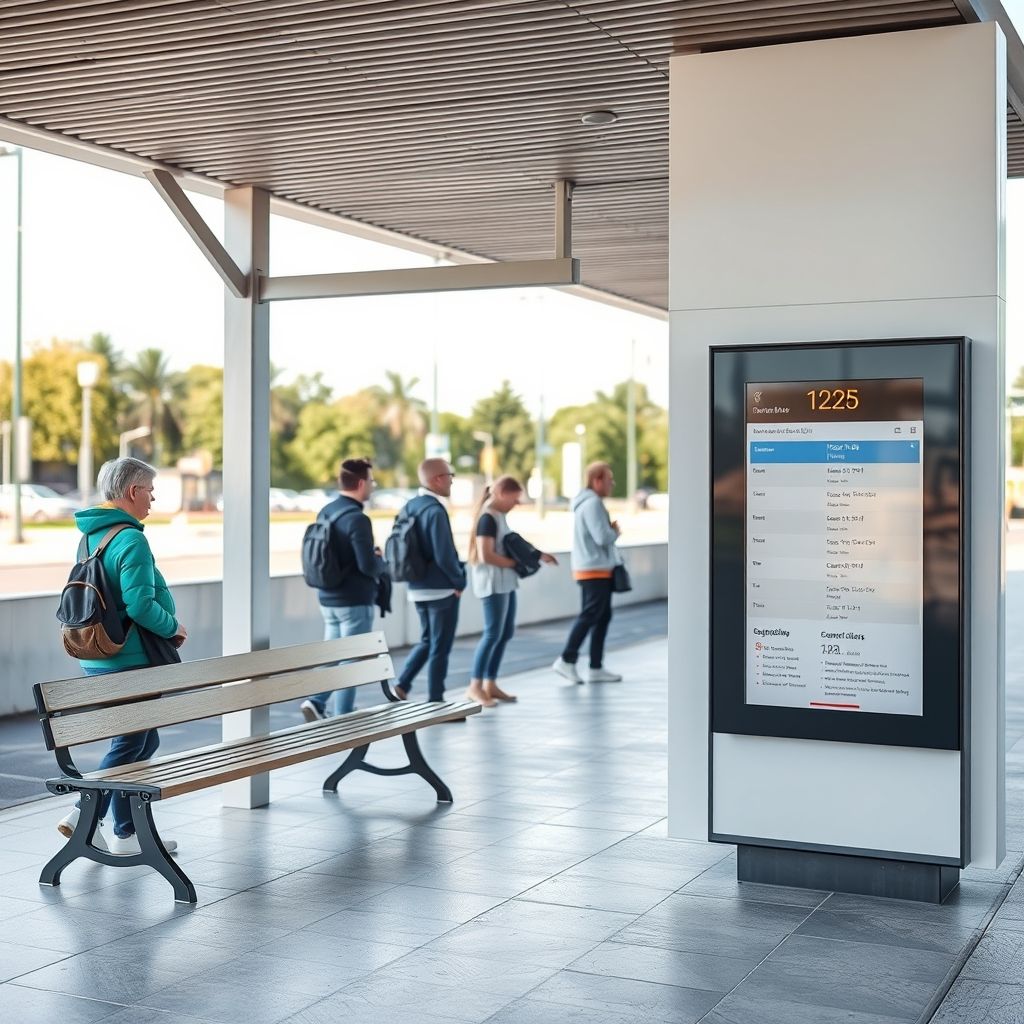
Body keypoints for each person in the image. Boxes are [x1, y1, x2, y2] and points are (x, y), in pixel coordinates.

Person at [56, 457, 187, 855]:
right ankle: (85, 814)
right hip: (130, 661)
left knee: (143, 743)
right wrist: (173, 627)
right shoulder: (132, 539)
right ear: (133, 492)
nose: (153, 498)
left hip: (99, 656)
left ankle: (124, 831)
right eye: (149, 489)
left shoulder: (91, 537)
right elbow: (141, 606)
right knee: (132, 743)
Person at [301, 458, 386, 722]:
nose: (372, 486)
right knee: (351, 659)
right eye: (371, 481)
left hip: (327, 597)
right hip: (354, 600)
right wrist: (380, 559)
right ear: (361, 484)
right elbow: (368, 566)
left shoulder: (326, 511)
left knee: (334, 653)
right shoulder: (358, 519)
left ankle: (316, 701)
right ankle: (344, 716)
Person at [465, 476, 557, 707]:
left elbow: (511, 543)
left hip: (505, 582)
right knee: (492, 633)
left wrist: (536, 556)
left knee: (504, 633)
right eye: (514, 499)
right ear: (501, 494)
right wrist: (515, 565)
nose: (516, 504)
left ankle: (490, 683)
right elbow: (486, 555)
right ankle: (475, 686)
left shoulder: (499, 516)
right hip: (493, 583)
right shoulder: (487, 518)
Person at [394, 458, 466, 703]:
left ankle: (402, 685)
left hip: (416, 587)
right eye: (450, 475)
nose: (452, 480)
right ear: (437, 479)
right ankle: (436, 701)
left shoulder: (409, 506)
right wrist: (459, 581)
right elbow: (444, 554)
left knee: (427, 640)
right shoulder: (435, 510)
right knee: (440, 646)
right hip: (441, 590)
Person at [552, 461, 623, 684]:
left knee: (601, 616)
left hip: (592, 567)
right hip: (595, 568)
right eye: (609, 480)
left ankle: (595, 666)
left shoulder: (587, 503)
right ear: (597, 480)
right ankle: (567, 659)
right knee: (591, 615)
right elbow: (602, 537)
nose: (612, 485)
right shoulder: (593, 504)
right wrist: (614, 531)